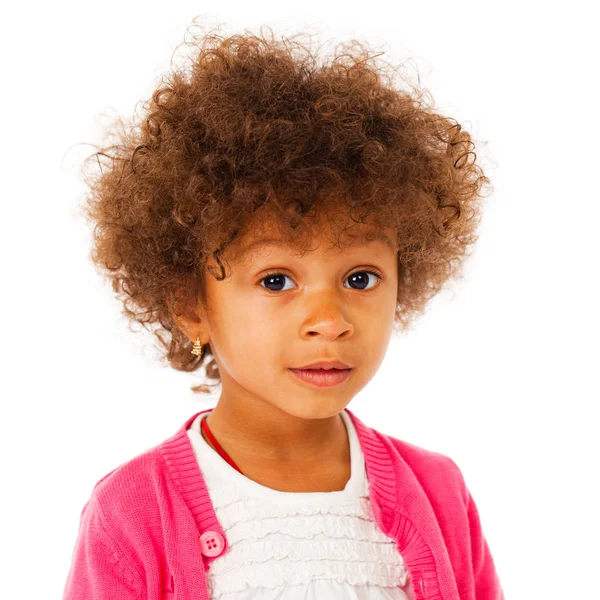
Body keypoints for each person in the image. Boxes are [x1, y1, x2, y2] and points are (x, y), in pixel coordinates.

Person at [62, 22, 504, 600]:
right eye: (276, 280)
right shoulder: (133, 512)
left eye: (360, 278)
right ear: (190, 306)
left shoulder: (438, 491)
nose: (329, 318)